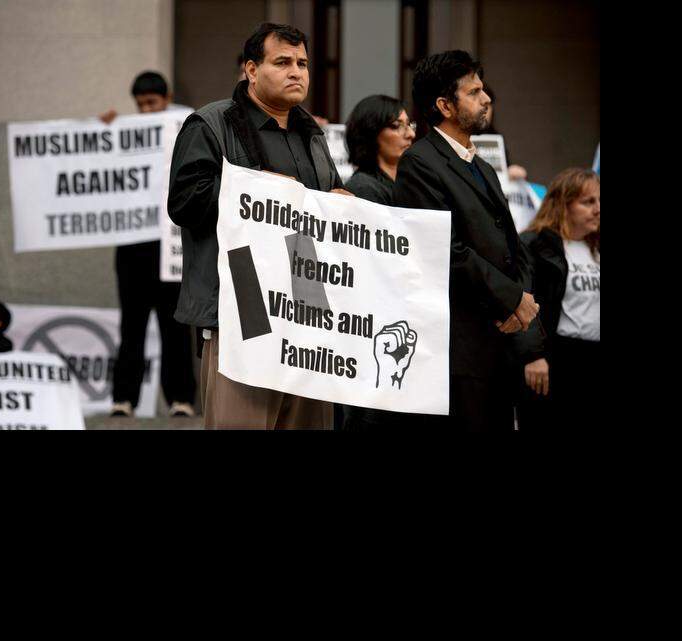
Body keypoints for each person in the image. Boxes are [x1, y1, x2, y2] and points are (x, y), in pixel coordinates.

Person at [168, 22, 350, 429]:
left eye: (302, 63)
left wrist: (340, 202)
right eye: (282, 62)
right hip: (243, 313)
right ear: (251, 70)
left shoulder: (312, 134)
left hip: (307, 316)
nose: (296, 72)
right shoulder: (210, 124)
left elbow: (320, 204)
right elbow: (184, 203)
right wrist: (261, 189)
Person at [393, 50, 539, 432]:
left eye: (483, 89)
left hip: (501, 340)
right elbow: (444, 250)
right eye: (474, 92)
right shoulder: (419, 163)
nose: (486, 97)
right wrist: (510, 298)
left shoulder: (485, 167)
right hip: (459, 348)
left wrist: (519, 300)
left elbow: (513, 243)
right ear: (444, 105)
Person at [99, 71, 197, 418]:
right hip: (133, 247)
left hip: (170, 246)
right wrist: (104, 133)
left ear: (167, 98)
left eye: (152, 103)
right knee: (132, 326)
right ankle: (124, 398)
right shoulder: (127, 130)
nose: (146, 111)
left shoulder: (187, 124)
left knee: (175, 327)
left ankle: (181, 398)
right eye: (141, 105)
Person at [335, 95, 417, 430]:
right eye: (397, 126)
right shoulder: (363, 188)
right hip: (371, 332)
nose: (409, 133)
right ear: (371, 134)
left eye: (409, 124)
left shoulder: (410, 185)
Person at [513, 168, 601, 431]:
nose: (598, 209)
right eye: (588, 202)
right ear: (563, 204)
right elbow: (521, 302)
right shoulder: (535, 245)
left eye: (599, 201)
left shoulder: (596, 246)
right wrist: (533, 355)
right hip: (555, 357)